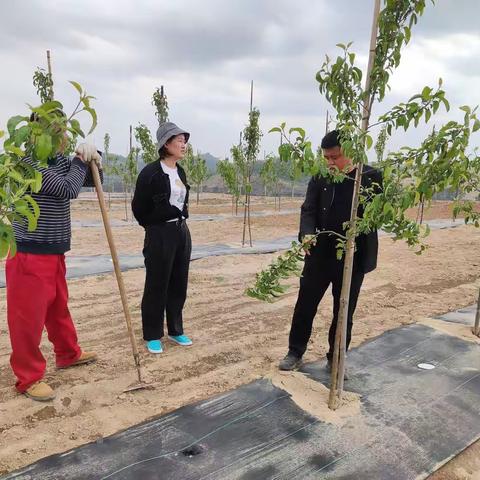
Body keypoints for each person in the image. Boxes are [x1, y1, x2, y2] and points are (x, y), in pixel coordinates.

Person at [6, 124, 103, 402]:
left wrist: (96, 160)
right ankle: (29, 377)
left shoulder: (59, 161)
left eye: (64, 132)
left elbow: (93, 181)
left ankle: (68, 353)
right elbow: (67, 188)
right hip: (29, 252)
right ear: (36, 133)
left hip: (55, 249)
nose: (62, 138)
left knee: (58, 306)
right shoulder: (28, 163)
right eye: (55, 131)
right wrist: (79, 160)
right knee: (28, 318)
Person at [279, 130, 382, 374]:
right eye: (326, 158)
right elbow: (308, 210)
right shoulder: (321, 176)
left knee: (344, 309)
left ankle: (336, 358)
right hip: (320, 253)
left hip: (353, 256)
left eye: (334, 157)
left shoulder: (370, 176)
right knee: (305, 304)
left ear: (350, 152)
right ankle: (295, 352)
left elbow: (376, 215)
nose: (330, 163)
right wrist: (306, 234)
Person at [132, 122, 193, 354]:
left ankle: (176, 329)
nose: (183, 144)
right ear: (166, 144)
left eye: (184, 140)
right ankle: (152, 334)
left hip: (181, 231)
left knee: (179, 280)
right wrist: (154, 227)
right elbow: (139, 207)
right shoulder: (151, 172)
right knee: (157, 282)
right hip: (159, 233)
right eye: (179, 140)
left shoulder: (180, 171)